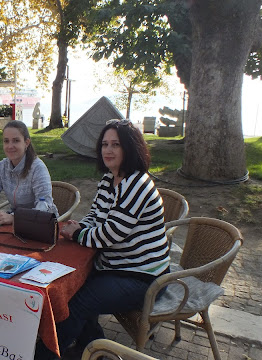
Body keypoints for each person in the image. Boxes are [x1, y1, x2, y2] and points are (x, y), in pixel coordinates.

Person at [34, 119, 170, 359]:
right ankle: (94, 348)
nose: (108, 150)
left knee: (77, 303)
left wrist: (77, 233)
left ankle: (45, 354)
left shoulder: (137, 184)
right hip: (114, 267)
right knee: (69, 288)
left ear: (130, 148)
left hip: (143, 277)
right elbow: (96, 216)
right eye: (105, 144)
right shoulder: (109, 179)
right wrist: (80, 227)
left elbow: (109, 235)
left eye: (115, 144)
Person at [0, 120, 57, 225]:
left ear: (26, 143)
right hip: (15, 225)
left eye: (16, 140)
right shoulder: (2, 166)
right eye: (6, 141)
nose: (10, 146)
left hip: (40, 226)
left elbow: (44, 207)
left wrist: (14, 218)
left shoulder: (38, 168)